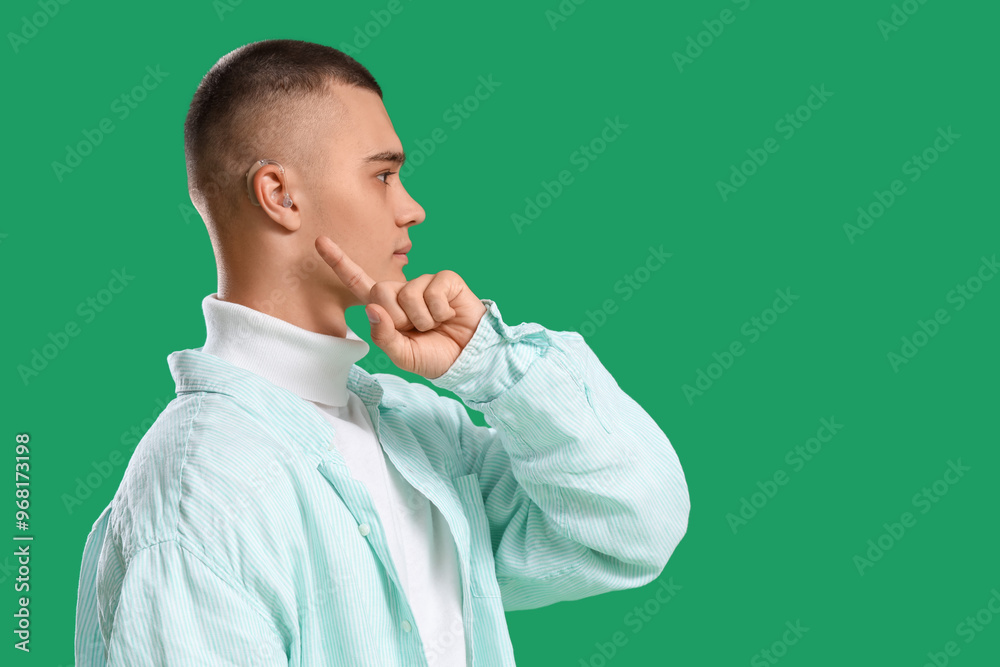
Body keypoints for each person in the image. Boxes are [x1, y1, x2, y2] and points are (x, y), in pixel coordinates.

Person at [74, 38, 690, 666]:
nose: (413, 208)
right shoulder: (202, 491)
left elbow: (634, 529)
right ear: (280, 195)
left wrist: (491, 364)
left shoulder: (417, 433)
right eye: (384, 175)